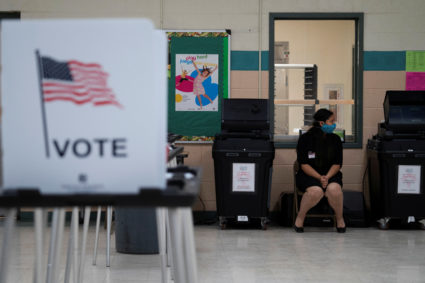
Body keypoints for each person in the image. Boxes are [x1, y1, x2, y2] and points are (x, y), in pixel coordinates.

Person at [294, 108, 346, 233]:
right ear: (321, 123)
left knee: (335, 190)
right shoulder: (305, 139)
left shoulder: (335, 140)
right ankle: (300, 218)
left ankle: (340, 220)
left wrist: (326, 177)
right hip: (309, 175)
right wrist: (319, 177)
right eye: (331, 121)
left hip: (331, 175)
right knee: (315, 192)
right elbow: (304, 164)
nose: (334, 124)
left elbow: (337, 164)